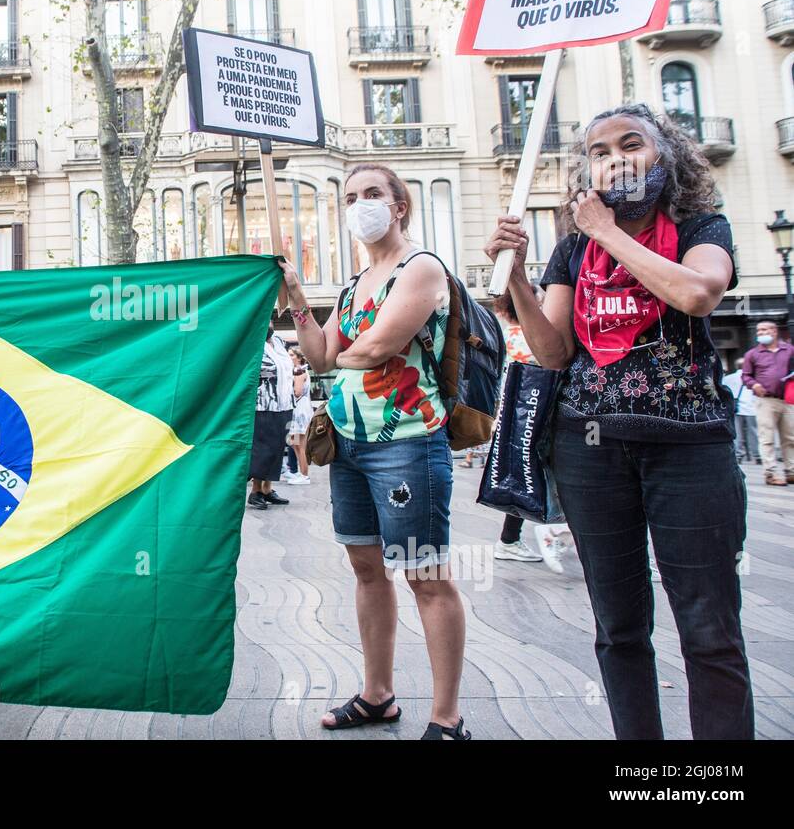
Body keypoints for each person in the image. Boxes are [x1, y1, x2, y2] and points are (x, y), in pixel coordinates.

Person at [485, 103, 753, 740]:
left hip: (689, 453)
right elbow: (552, 352)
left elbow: (697, 293)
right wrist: (519, 278)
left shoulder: (699, 226)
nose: (614, 159)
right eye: (599, 151)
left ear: (666, 156)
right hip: (592, 451)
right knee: (619, 628)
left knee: (709, 630)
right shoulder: (572, 252)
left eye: (630, 144)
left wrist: (607, 232)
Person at [281, 163, 470, 741]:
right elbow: (319, 354)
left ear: (399, 207)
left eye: (372, 194)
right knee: (366, 570)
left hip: (408, 443)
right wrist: (295, 297)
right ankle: (377, 694)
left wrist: (342, 351)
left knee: (425, 575)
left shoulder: (422, 268)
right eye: (351, 196)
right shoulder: (352, 285)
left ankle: (447, 718)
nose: (360, 204)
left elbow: (375, 347)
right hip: (351, 443)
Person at [490, 285, 573, 573]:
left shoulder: (503, 337)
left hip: (510, 418)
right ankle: (556, 531)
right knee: (558, 474)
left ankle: (510, 539)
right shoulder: (534, 336)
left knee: (522, 477)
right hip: (539, 414)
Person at [741, 320, 794, 486]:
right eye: (758, 331)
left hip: (787, 399)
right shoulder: (753, 354)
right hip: (765, 400)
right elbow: (746, 376)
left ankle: (791, 471)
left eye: (764, 330)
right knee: (767, 438)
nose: (760, 333)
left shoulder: (789, 350)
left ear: (774, 331)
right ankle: (770, 473)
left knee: (790, 438)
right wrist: (754, 385)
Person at [248, 325, 294, 509]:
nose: (269, 324)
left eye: (271, 320)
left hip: (285, 403)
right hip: (263, 404)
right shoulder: (253, 343)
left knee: (277, 448)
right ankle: (255, 491)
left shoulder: (279, 342)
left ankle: (268, 489)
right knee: (263, 450)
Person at [282, 348, 313, 485]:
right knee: (296, 444)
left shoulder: (299, 372)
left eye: (292, 355)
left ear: (299, 358)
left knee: (299, 445)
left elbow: (297, 392)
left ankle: (304, 475)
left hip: (299, 409)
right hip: (300, 408)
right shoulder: (299, 370)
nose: (289, 357)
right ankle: (301, 473)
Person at [721, 367, 759, 465]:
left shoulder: (729, 378)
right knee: (753, 432)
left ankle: (739, 455)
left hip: (736, 409)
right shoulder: (753, 378)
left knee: (738, 433)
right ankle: (757, 455)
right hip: (751, 409)